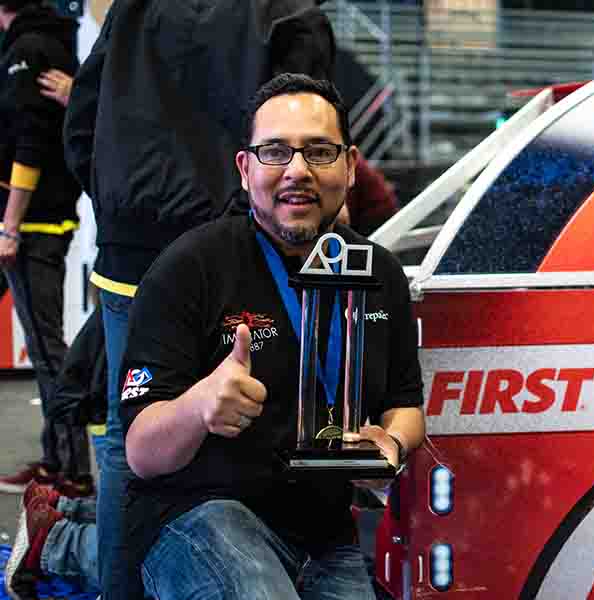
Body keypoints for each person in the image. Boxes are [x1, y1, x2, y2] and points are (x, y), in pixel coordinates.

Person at [62, 2, 335, 598]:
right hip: (229, 250)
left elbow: (81, 121)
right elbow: (307, 140)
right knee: (249, 431)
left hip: (132, 252)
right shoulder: (287, 12)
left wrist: (119, 206)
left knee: (126, 437)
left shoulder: (135, 7)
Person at [121, 73, 424, 600]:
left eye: (320, 152)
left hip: (324, 535)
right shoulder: (190, 268)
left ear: (351, 166)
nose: (298, 172)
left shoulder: (379, 273)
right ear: (245, 169)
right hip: (198, 516)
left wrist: (391, 442)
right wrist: (197, 407)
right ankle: (69, 542)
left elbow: (407, 404)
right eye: (276, 152)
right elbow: (141, 454)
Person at [0, 0, 81, 492]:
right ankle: (62, 463)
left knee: (49, 351)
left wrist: (10, 225)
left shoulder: (29, 49)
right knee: (50, 349)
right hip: (36, 220)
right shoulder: (45, 42)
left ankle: (70, 471)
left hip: (35, 226)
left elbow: (31, 142)